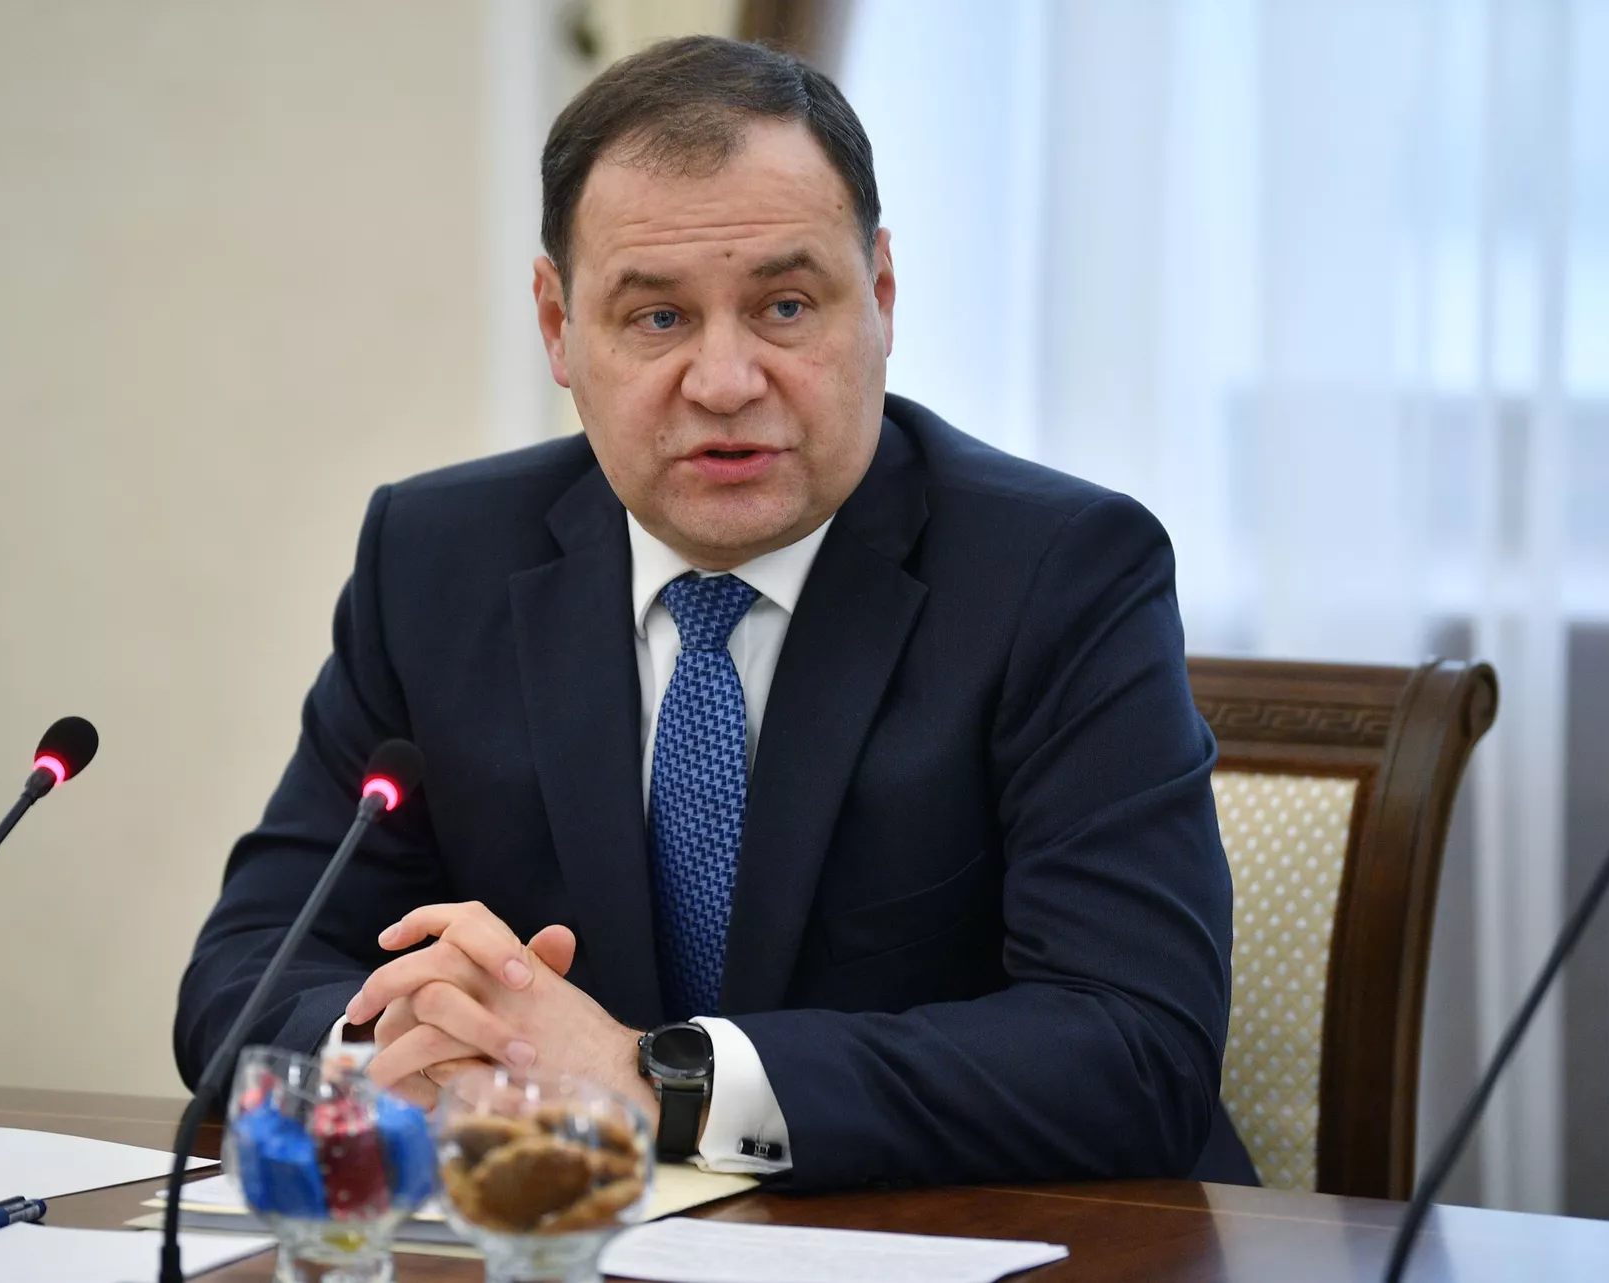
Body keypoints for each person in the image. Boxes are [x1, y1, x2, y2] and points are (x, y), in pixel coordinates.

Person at [175, 34, 1255, 1190]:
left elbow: (1134, 1049)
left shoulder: (1060, 572)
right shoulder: (437, 561)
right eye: (657, 318)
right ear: (558, 325)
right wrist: (431, 1050)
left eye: (786, 305)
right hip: (566, 1231)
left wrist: (658, 1081)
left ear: (881, 296)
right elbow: (249, 967)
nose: (726, 380)